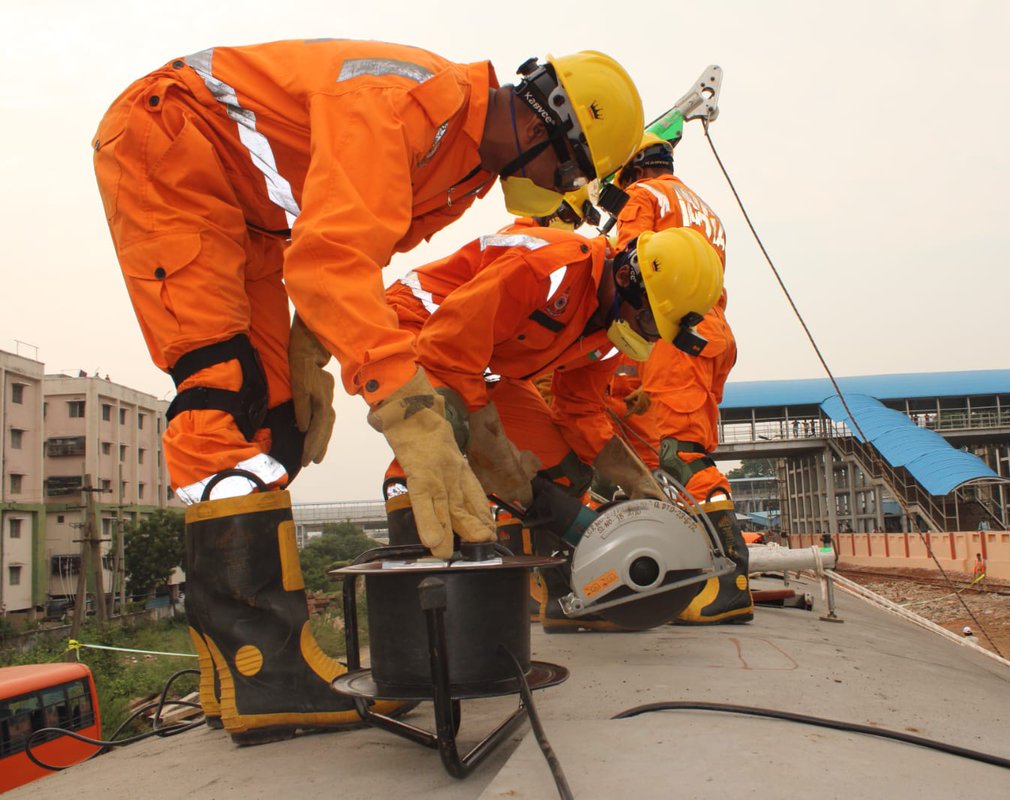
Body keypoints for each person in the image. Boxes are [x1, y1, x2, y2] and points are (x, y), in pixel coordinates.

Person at [93, 39, 643, 744]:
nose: (560, 185)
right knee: (221, 394)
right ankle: (267, 670)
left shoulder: (463, 169)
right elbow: (331, 261)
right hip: (171, 144)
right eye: (568, 168)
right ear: (543, 127)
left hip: (253, 216)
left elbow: (347, 241)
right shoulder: (407, 110)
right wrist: (406, 408)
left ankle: (232, 675)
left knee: (275, 427)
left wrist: (306, 351)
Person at [378, 223, 724, 632]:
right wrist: (491, 443)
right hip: (420, 329)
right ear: (627, 277)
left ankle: (568, 596)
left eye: (657, 331)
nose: (647, 336)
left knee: (563, 471)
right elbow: (448, 348)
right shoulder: (549, 269)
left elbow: (579, 409)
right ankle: (416, 623)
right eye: (650, 323)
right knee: (443, 438)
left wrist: (637, 480)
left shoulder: (613, 328)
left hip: (482, 363)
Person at [613, 133, 748, 625]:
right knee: (662, 453)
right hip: (712, 333)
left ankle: (730, 584)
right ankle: (689, 567)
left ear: (631, 169)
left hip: (674, 332)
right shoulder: (701, 207)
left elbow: (626, 261)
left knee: (679, 454)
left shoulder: (643, 197)